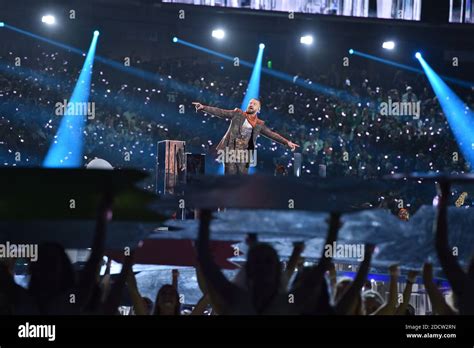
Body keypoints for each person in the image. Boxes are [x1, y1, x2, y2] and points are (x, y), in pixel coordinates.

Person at [192, 99, 299, 174]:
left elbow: (272, 134)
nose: (251, 104)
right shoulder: (238, 113)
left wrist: (287, 142)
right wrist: (204, 107)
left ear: (259, 109)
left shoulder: (259, 124)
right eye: (250, 103)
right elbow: (221, 112)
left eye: (254, 104)